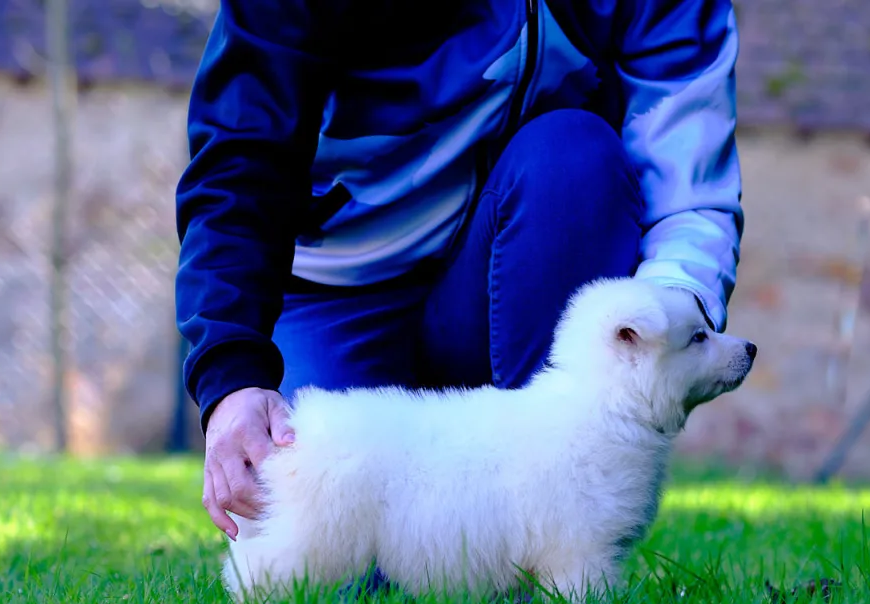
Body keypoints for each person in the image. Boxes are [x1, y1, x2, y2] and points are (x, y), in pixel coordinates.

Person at [176, 0, 743, 540]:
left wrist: (673, 323)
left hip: (515, 266)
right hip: (332, 287)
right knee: (336, 563)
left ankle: (539, 535)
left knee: (573, 158)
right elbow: (241, 156)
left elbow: (686, 164)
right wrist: (233, 376)